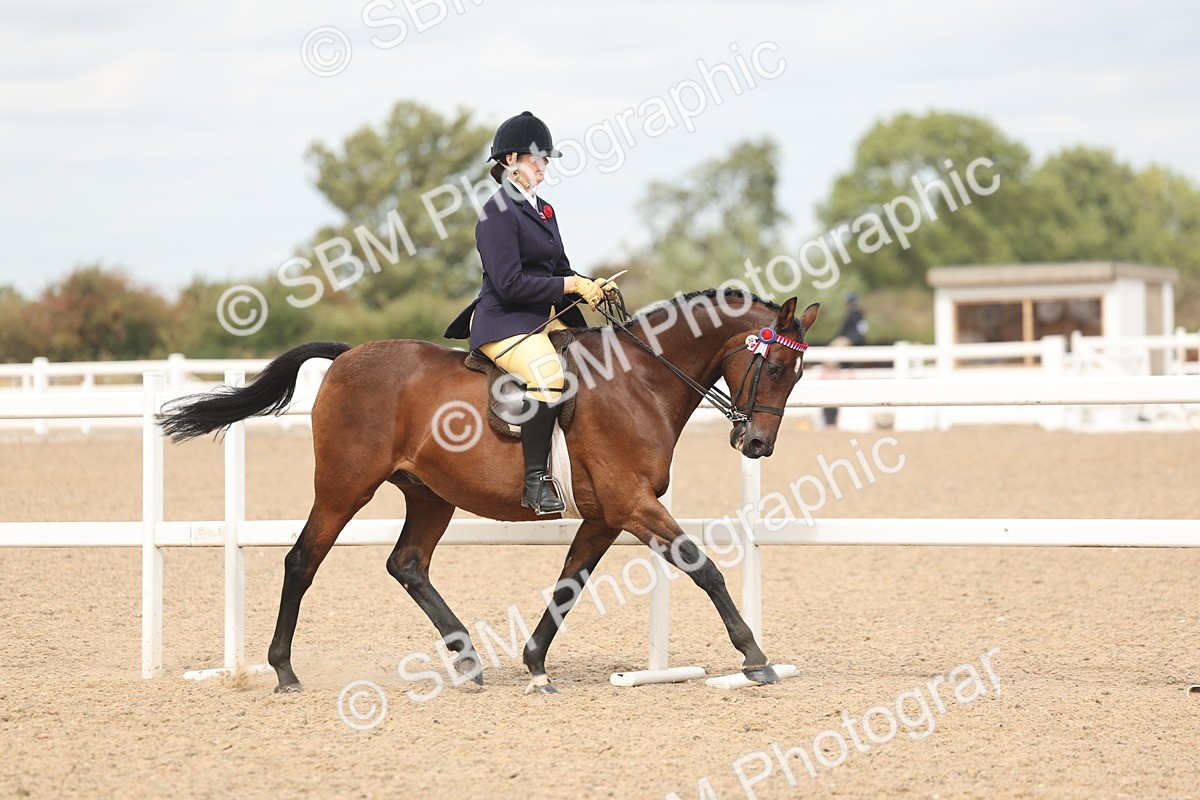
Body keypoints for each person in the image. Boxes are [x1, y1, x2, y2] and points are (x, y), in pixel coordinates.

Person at [444, 111, 614, 515]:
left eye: (546, 157)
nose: (545, 164)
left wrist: (592, 287)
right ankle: (535, 482)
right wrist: (569, 286)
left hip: (543, 318)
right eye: (538, 157)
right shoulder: (496, 212)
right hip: (505, 321)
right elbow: (510, 284)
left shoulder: (545, 211)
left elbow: (560, 271)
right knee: (548, 375)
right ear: (510, 161)